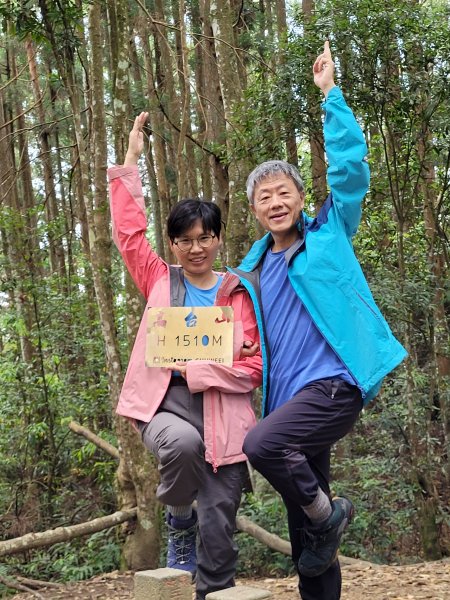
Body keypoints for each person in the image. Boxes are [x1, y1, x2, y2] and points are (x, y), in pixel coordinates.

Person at [231, 41, 407, 600]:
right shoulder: (249, 272)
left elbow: (352, 170)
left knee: (262, 446)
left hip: (333, 384)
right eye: (264, 196)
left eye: (284, 191)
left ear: (301, 198)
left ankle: (330, 515)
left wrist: (330, 95)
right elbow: (221, 334)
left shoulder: (328, 234)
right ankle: (325, 529)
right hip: (288, 399)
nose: (275, 201)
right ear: (255, 210)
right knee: (309, 536)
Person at [107, 113, 262, 600]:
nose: (196, 248)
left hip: (226, 413)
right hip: (164, 403)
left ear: (218, 239)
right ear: (173, 244)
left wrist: (206, 366)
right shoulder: (159, 279)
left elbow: (252, 369)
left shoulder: (240, 292)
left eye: (205, 238)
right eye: (185, 240)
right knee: (181, 444)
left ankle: (212, 589)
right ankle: (177, 519)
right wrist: (131, 161)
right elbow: (130, 233)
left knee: (219, 531)